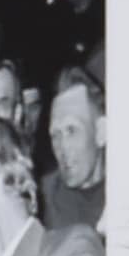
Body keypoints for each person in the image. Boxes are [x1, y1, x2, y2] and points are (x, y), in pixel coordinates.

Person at [39, 69, 110, 234]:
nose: (63, 147)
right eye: (55, 135)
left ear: (101, 132)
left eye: (71, 131)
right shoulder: (43, 200)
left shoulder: (128, 192)